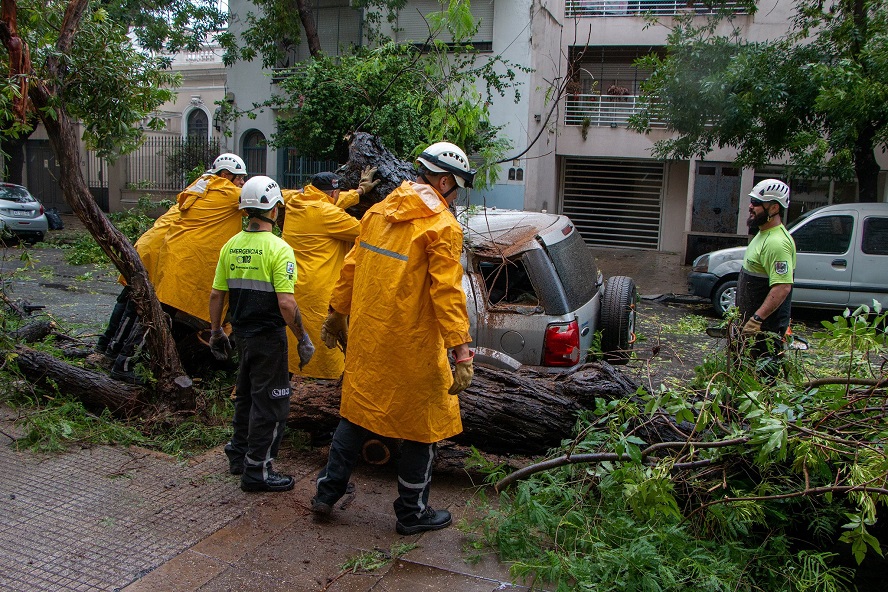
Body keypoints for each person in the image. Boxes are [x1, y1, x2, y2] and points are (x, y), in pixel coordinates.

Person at [310, 142, 476, 535]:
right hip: (413, 345)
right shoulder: (442, 226)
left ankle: (326, 493)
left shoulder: (378, 211)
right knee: (423, 427)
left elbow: (351, 267)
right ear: (444, 180)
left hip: (370, 339)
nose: (456, 194)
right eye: (458, 186)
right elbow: (448, 294)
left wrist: (336, 315)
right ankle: (412, 513)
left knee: (356, 413)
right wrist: (462, 352)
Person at [208, 175, 315, 492]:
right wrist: (304, 338)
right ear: (274, 210)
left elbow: (217, 295)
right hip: (269, 338)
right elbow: (286, 303)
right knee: (272, 402)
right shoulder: (279, 250)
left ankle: (239, 455)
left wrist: (216, 331)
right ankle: (258, 471)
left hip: (242, 334)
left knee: (246, 395)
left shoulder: (231, 246)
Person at [280, 167, 379, 379]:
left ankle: (294, 382)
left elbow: (328, 202)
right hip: (321, 290)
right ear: (332, 194)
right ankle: (325, 386)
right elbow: (367, 231)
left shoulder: (295, 202)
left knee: (297, 340)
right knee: (327, 346)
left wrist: (359, 191)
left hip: (293, 286)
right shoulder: (329, 214)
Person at [736, 178, 796, 373]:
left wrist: (756, 320)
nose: (750, 207)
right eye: (751, 201)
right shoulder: (762, 235)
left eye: (756, 203)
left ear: (774, 208)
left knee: (763, 381)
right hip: (748, 330)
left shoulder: (777, 243)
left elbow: (782, 287)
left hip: (764, 332)